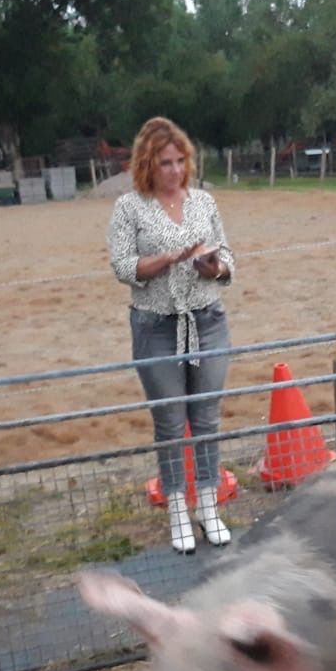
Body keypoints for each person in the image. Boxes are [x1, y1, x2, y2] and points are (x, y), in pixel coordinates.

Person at [107, 116, 236, 553]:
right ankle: (177, 506)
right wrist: (166, 259)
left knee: (206, 418)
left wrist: (213, 265)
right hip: (156, 327)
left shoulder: (203, 202)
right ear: (148, 164)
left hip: (208, 321)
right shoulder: (129, 207)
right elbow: (123, 266)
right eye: (166, 163)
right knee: (169, 421)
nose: (175, 170)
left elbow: (228, 259)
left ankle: (208, 503)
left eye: (181, 161)